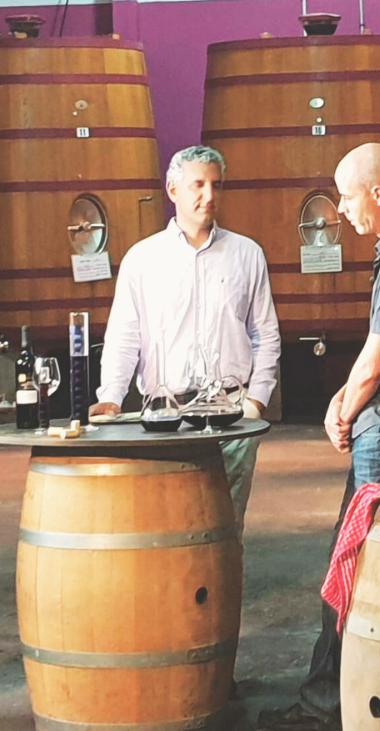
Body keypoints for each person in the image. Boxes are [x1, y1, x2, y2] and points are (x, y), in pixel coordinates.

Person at [260, 142, 380, 731]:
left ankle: (333, 706)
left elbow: (377, 359)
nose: (340, 208)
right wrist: (344, 400)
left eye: (346, 195)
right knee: (360, 560)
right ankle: (339, 698)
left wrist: (342, 411)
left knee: (360, 569)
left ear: (378, 193)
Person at [90, 144, 280, 552]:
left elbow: (265, 333)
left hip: (231, 414)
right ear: (172, 190)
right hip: (165, 415)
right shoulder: (143, 259)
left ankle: (224, 596)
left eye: (216, 185)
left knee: (226, 527)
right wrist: (111, 396)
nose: (209, 195)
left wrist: (258, 400)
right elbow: (124, 336)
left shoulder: (247, 255)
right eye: (198, 184)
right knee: (167, 528)